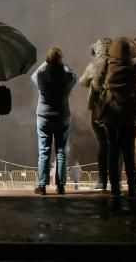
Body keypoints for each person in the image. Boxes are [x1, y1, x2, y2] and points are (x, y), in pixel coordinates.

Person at [98, 37, 136, 199]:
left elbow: (99, 82)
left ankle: (115, 187)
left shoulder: (108, 63)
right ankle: (133, 188)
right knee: (129, 150)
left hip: (110, 111)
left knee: (113, 150)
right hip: (130, 111)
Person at [31, 46, 77, 195]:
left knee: (44, 151)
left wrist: (46, 63)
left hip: (44, 116)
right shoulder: (66, 77)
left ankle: (42, 186)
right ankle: (61, 185)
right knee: (61, 151)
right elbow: (75, 77)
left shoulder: (42, 76)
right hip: (62, 116)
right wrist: (64, 65)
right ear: (60, 60)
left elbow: (33, 76)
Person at [79, 38, 112, 190]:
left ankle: (102, 180)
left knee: (103, 145)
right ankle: (116, 179)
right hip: (115, 109)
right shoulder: (116, 63)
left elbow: (83, 82)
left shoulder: (93, 65)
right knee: (115, 145)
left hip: (98, 110)